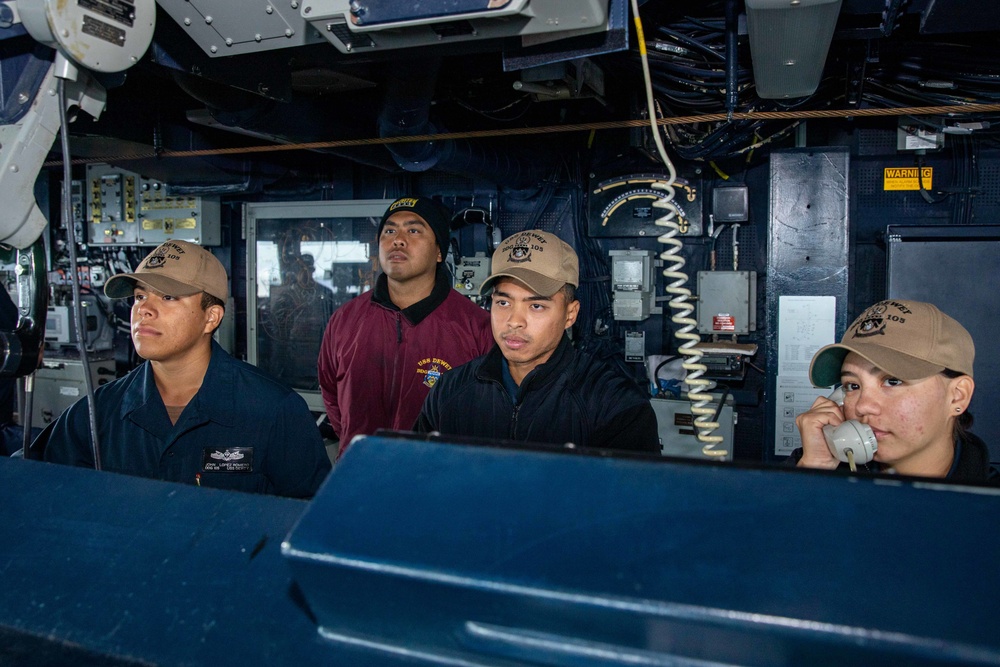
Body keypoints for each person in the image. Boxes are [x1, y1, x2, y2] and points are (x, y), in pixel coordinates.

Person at [38, 240, 332, 498]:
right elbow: (43, 493)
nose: (144, 309)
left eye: (168, 297)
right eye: (140, 296)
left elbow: (311, 519)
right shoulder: (96, 412)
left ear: (211, 317)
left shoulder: (274, 410)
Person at [415, 229, 660, 453]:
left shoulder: (615, 405)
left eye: (536, 305)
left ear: (570, 314)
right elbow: (421, 479)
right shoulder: (450, 391)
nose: (514, 321)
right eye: (503, 302)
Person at [317, 196, 493, 456]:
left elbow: (488, 414)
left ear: (438, 252)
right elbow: (331, 393)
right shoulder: (345, 319)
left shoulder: (476, 326)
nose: (398, 240)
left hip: (439, 481)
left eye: (413, 230)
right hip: (360, 474)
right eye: (389, 230)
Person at [792, 299, 997, 483]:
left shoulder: (989, 507)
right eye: (853, 386)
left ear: (957, 396)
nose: (863, 406)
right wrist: (814, 473)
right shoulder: (810, 470)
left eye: (892, 381)